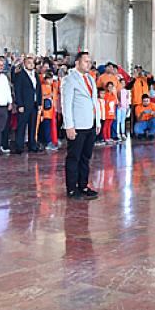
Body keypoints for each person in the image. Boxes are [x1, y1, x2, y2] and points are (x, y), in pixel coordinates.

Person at [61, 51, 101, 200]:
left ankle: (83, 185)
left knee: (86, 158)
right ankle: (72, 188)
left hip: (90, 124)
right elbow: (66, 104)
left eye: (90, 61)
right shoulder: (69, 80)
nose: (89, 64)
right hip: (77, 125)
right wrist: (69, 126)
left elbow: (94, 102)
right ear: (77, 62)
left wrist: (97, 121)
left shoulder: (90, 79)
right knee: (74, 157)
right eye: (86, 61)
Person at [12, 56, 40, 154]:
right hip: (24, 105)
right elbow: (18, 91)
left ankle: (32, 145)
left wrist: (40, 103)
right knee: (21, 126)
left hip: (34, 104)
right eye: (29, 62)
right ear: (24, 63)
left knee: (33, 126)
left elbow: (38, 90)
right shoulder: (20, 75)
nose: (31, 64)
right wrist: (19, 104)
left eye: (32, 63)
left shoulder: (35, 75)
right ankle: (19, 146)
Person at [117, 76, 130, 140]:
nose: (122, 84)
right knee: (118, 121)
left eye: (124, 83)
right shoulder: (118, 91)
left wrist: (127, 108)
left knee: (123, 121)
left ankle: (123, 133)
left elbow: (127, 100)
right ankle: (118, 133)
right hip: (119, 107)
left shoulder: (126, 91)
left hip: (124, 108)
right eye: (121, 83)